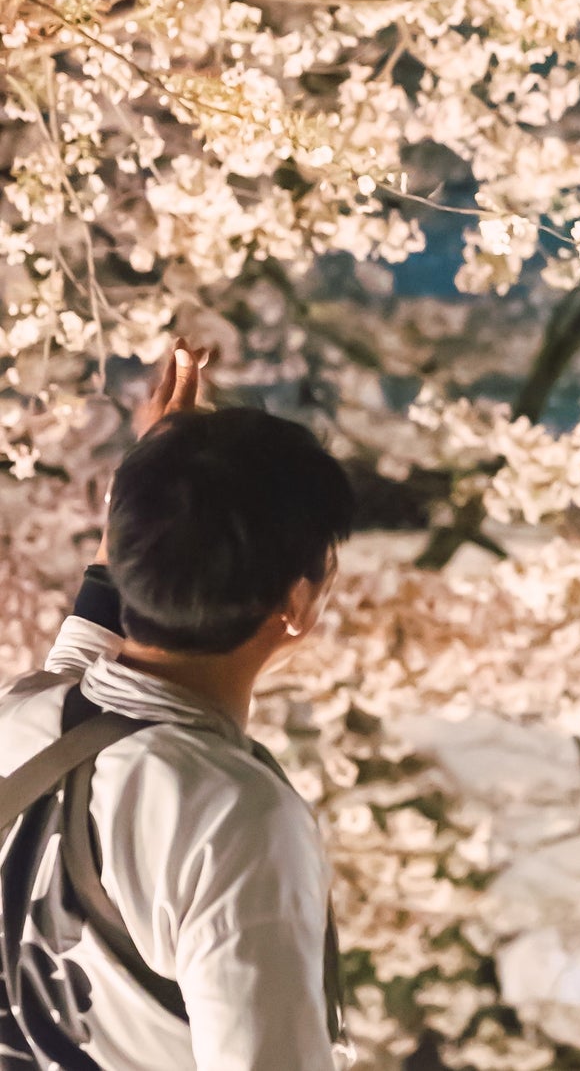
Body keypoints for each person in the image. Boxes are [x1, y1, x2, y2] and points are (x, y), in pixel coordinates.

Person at [0, 343, 353, 1070]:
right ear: (298, 599)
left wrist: (154, 482)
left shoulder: (22, 717)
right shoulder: (233, 816)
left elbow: (88, 652)